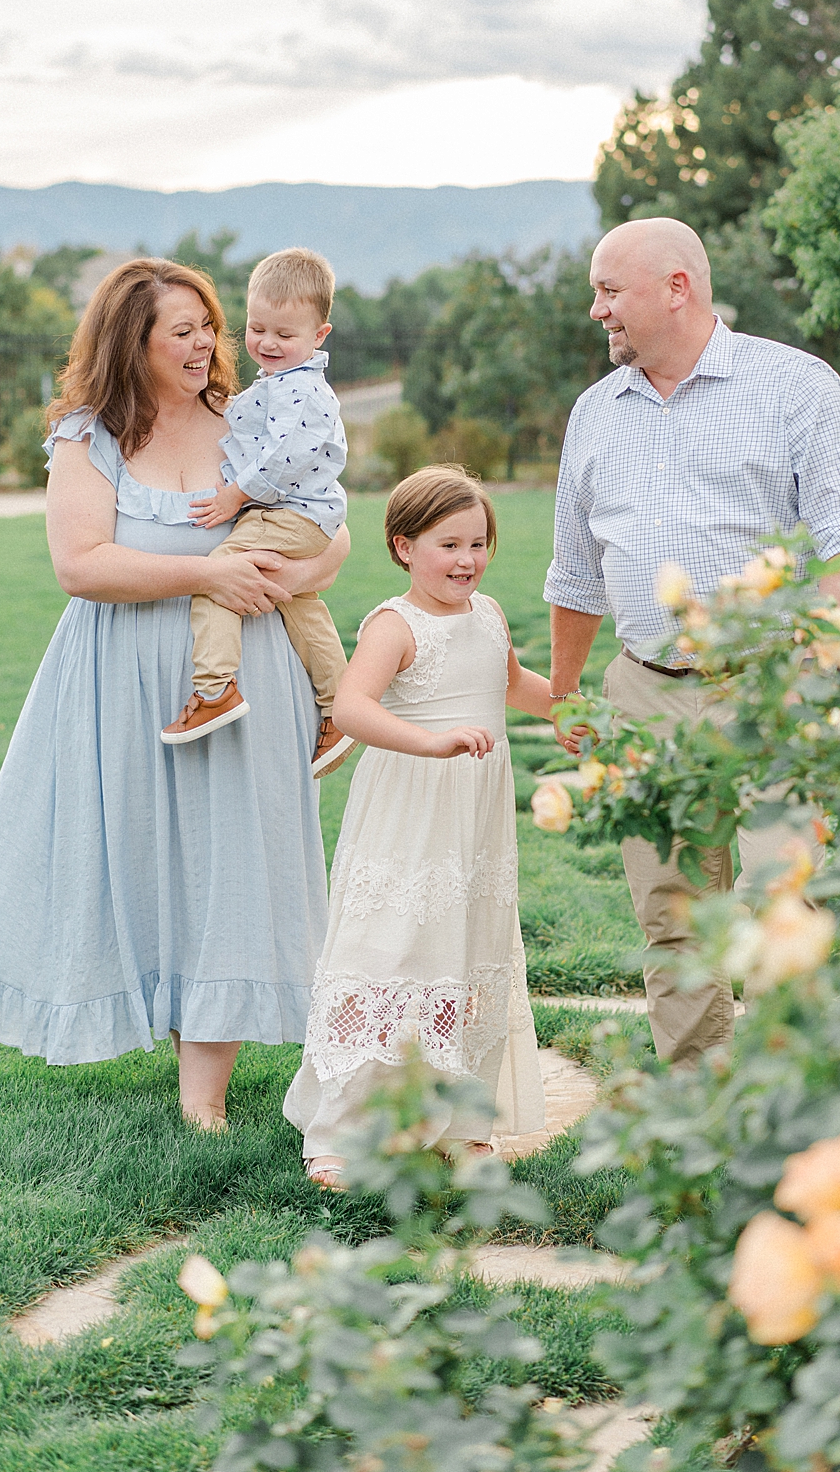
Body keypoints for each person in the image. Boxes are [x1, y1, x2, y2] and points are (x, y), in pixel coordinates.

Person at [0, 258, 349, 1130]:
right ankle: (132, 1011)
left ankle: (205, 1098)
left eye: (209, 327)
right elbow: (80, 564)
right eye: (181, 331)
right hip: (120, 677)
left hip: (244, 681)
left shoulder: (250, 414)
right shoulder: (91, 435)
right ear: (134, 341)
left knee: (233, 865)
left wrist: (286, 571)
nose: (205, 346)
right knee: (142, 857)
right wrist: (208, 572)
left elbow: (329, 530)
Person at [545, 217, 840, 1069]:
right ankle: (700, 1096)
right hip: (647, 688)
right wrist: (568, 692)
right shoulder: (595, 413)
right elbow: (576, 572)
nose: (597, 310)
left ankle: (786, 1089)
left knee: (785, 897)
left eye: (608, 289)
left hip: (775, 684)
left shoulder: (796, 387)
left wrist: (831, 661)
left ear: (677, 287)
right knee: (673, 911)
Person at [283, 464, 557, 1188]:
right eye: (448, 544)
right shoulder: (395, 624)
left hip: (474, 824)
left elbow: (512, 683)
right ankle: (338, 1131)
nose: (467, 559)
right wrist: (429, 741)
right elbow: (351, 707)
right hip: (409, 816)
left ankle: (461, 1121)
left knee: (466, 953)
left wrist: (569, 709)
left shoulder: (489, 614)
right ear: (405, 546)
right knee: (390, 953)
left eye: (478, 542)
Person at [161, 247, 354, 778]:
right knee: (302, 604)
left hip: (288, 512)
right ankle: (341, 707)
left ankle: (214, 688)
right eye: (256, 328)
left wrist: (235, 495)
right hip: (304, 517)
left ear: (320, 335)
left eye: (284, 335)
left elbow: (284, 457)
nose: (266, 343)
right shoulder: (281, 383)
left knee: (218, 577)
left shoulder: (303, 391)